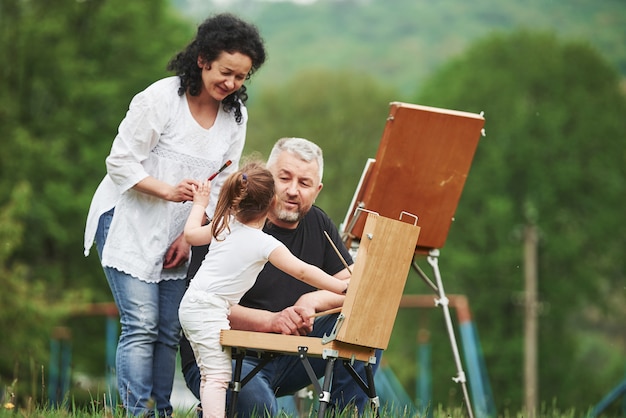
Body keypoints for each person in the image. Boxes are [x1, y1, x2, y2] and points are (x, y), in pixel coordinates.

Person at [83, 13, 266, 417]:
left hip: (178, 229)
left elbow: (222, 183)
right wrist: (167, 190)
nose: (232, 84)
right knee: (142, 324)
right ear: (202, 60)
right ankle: (138, 413)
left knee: (168, 330)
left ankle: (161, 412)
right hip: (127, 220)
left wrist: (190, 234)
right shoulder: (159, 100)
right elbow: (120, 163)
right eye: (226, 72)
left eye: (241, 77)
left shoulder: (235, 117)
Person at [180, 137, 382, 417]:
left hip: (289, 355)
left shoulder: (318, 223)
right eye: (284, 178)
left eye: (304, 183)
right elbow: (205, 306)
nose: (292, 190)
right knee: (258, 405)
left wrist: (311, 301)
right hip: (229, 354)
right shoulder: (228, 222)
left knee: (365, 319)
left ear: (317, 190)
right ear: (264, 181)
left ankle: (345, 414)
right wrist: (272, 321)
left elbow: (353, 286)